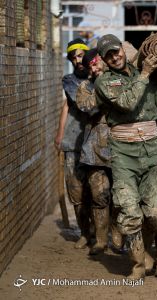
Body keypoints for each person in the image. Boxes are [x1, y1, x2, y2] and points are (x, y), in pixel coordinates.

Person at [94, 34, 157, 279]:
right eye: (108, 55)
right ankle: (138, 264)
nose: (115, 57)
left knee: (155, 211)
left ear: (122, 49)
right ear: (104, 59)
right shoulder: (105, 82)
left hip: (150, 150)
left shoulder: (146, 73)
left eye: (116, 51)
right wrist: (145, 74)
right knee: (129, 211)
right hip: (123, 153)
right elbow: (128, 104)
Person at [75, 49, 123, 255]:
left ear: (104, 61)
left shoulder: (120, 80)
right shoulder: (85, 86)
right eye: (90, 66)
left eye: (96, 63)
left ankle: (119, 237)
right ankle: (101, 240)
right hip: (94, 153)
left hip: (121, 149)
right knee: (99, 196)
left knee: (121, 197)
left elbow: (125, 103)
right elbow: (88, 108)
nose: (94, 68)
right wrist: (103, 88)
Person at [54, 38, 91, 249]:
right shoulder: (69, 80)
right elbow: (68, 106)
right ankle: (85, 233)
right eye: (74, 57)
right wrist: (60, 134)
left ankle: (100, 233)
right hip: (73, 143)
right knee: (76, 191)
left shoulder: (99, 76)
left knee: (98, 192)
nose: (78, 60)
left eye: (81, 56)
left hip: (95, 145)